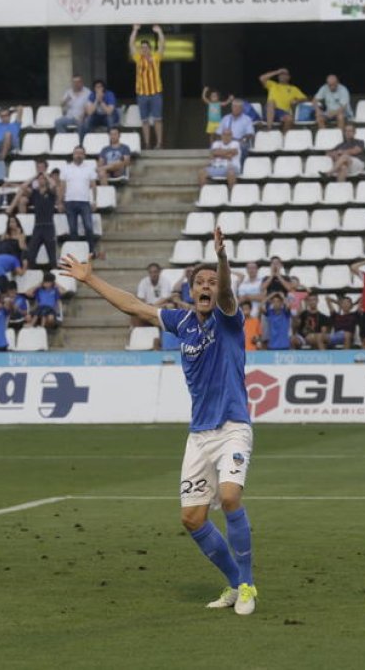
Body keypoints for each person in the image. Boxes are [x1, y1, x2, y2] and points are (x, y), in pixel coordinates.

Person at [59, 226, 258, 615]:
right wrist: (90, 279)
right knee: (192, 518)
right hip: (199, 435)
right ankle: (234, 584)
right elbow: (133, 305)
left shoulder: (228, 319)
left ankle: (249, 584)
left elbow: (229, 294)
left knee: (231, 497)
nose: (206, 287)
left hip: (233, 426)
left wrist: (221, 261)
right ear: (189, 291)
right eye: (199, 282)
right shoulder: (181, 323)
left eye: (211, 283)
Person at [59, 146, 100, 259]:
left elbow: (94, 186)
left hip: (84, 202)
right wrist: (60, 202)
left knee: (88, 227)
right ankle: (76, 253)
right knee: (72, 229)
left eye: (81, 153)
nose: (78, 155)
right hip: (69, 202)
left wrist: (95, 201)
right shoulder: (65, 169)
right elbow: (62, 187)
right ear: (73, 155)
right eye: (76, 153)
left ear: (84, 155)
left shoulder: (89, 168)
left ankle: (91, 251)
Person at [129, 24, 166, 150]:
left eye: (146, 47)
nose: (143, 49)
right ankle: (147, 143)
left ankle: (159, 143)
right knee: (144, 121)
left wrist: (159, 32)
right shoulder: (138, 58)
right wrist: (135, 30)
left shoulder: (156, 57)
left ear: (150, 49)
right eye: (142, 48)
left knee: (157, 119)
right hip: (142, 94)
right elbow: (131, 45)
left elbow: (162, 45)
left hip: (156, 93)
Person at [258, 68, 307, 133]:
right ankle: (269, 128)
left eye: (285, 74)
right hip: (269, 111)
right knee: (271, 102)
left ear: (289, 77)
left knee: (289, 119)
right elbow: (262, 78)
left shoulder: (293, 89)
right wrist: (277, 71)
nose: (282, 76)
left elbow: (305, 98)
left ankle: (283, 138)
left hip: (282, 113)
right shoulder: (273, 85)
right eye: (280, 74)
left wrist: (296, 101)